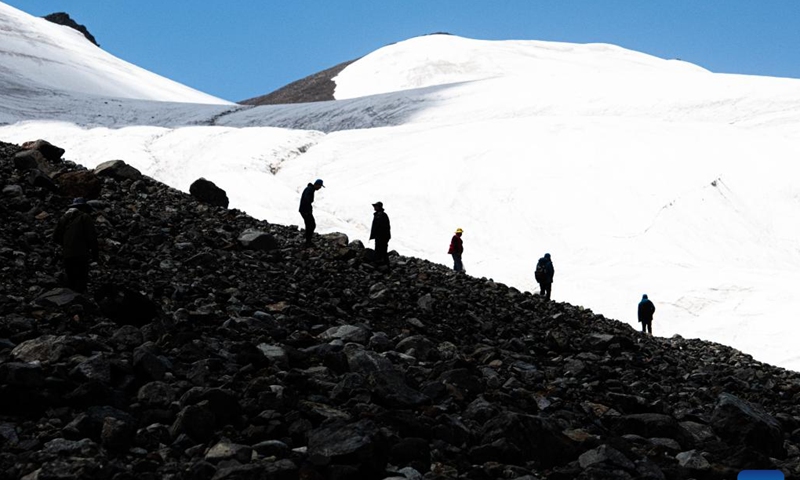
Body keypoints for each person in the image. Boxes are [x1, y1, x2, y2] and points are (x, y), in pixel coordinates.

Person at [53, 197, 99, 293]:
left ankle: (71, 302)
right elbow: (91, 236)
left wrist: (66, 245)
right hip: (81, 253)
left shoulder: (64, 219)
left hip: (67, 254)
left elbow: (55, 237)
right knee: (81, 279)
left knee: (71, 279)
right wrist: (95, 254)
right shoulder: (85, 217)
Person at [299, 179, 324, 246]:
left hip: (304, 210)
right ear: (317, 185)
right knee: (312, 225)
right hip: (305, 210)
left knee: (309, 225)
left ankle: (308, 241)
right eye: (320, 186)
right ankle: (308, 241)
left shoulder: (310, 189)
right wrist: (308, 210)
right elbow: (307, 199)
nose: (320, 188)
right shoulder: (310, 189)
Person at [369, 201, 391, 267]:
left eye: (376, 206)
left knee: (380, 249)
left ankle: (380, 263)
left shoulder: (380, 215)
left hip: (381, 236)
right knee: (382, 249)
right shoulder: (381, 215)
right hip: (382, 236)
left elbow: (382, 227)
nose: (374, 207)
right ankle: (384, 263)